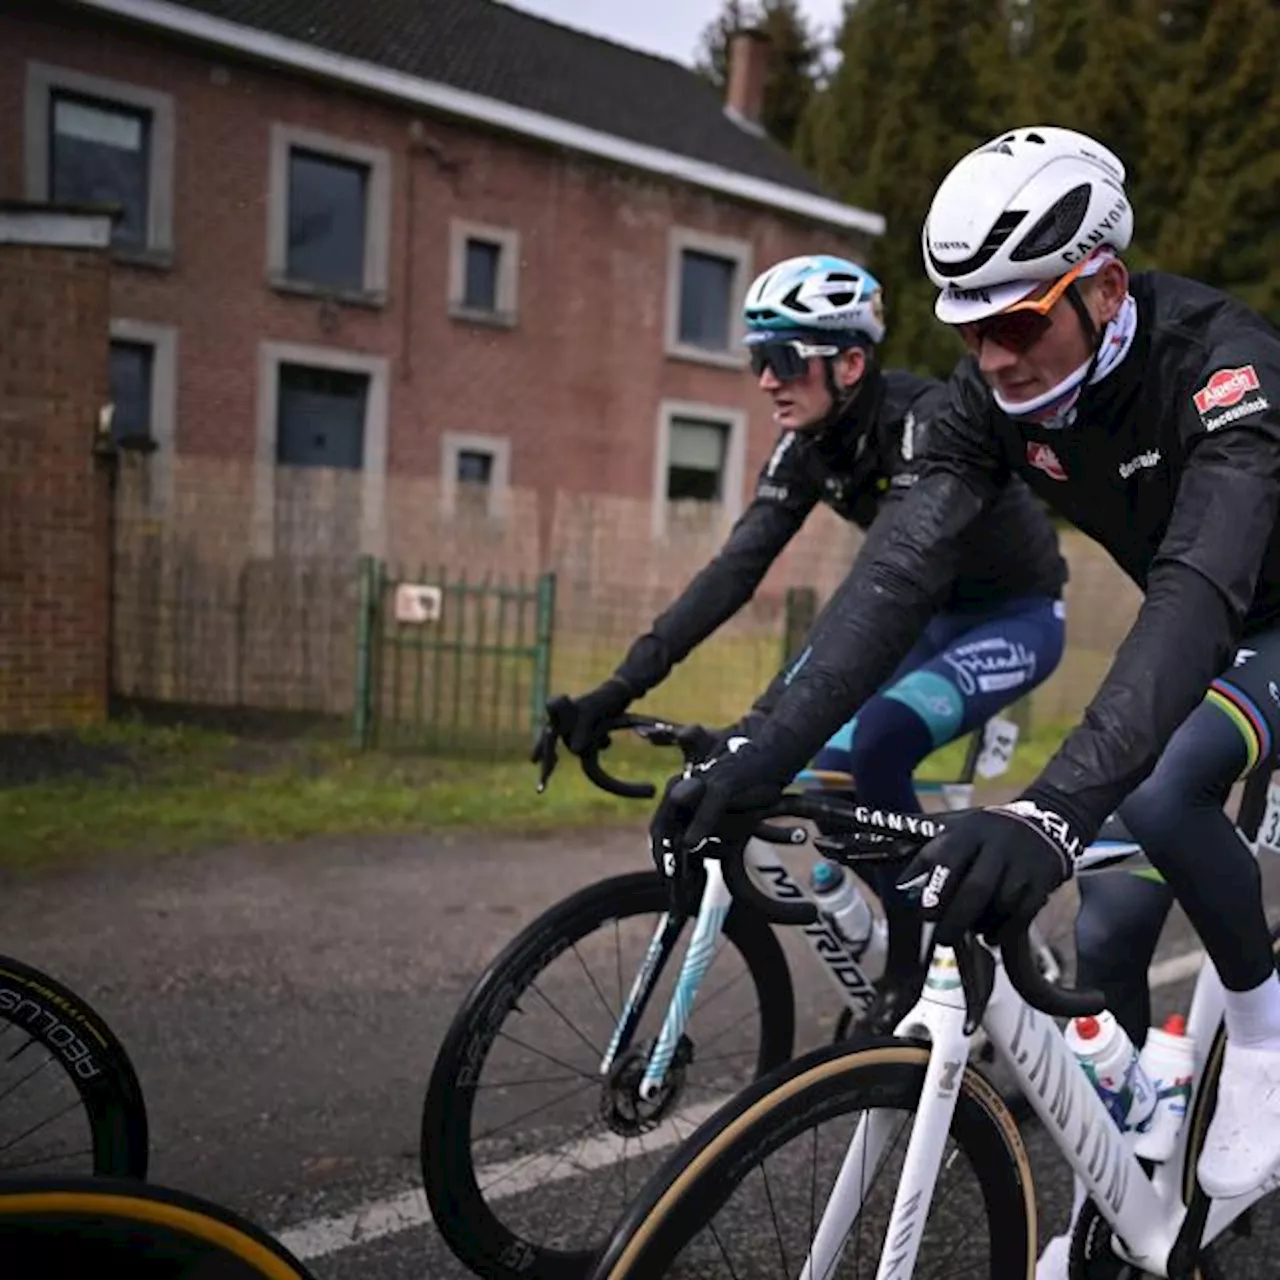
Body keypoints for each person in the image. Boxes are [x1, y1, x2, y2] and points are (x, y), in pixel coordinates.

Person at [645, 125, 1280, 1244]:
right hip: (1206, 625)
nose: (990, 356)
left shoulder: (1220, 364)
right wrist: (762, 751)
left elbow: (1194, 588)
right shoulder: (985, 399)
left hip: (1250, 612)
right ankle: (1114, 1205)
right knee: (1112, 930)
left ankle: (1265, 1034)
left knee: (1167, 786)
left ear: (1103, 287)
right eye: (967, 327)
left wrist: (1046, 806)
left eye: (1016, 323)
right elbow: (892, 577)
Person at [550, 253, 1067, 1021]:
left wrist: (761, 728)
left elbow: (874, 595)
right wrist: (621, 686)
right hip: (922, 618)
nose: (765, 379)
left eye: (784, 358)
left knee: (881, 739)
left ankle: (915, 943)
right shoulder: (805, 446)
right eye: (758, 358)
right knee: (821, 773)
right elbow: (735, 571)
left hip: (1015, 619)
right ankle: (907, 890)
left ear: (852, 362)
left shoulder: (923, 427)